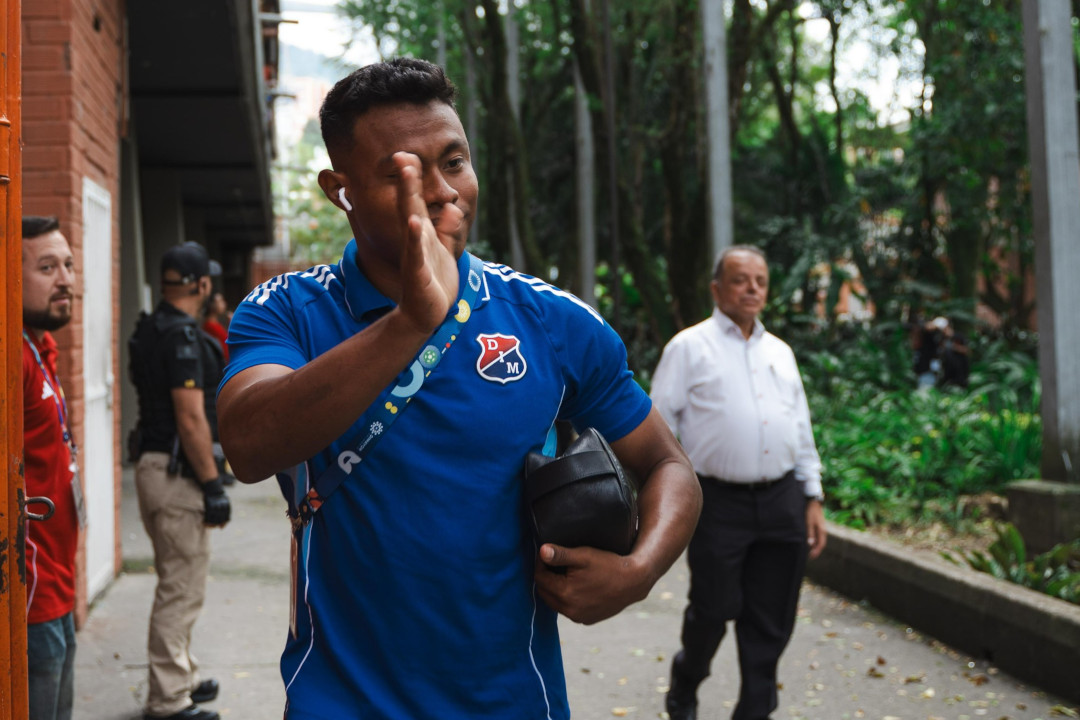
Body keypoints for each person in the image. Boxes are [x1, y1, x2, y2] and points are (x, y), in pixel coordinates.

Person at [215, 58, 702, 720]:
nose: (441, 191)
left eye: (453, 162)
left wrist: (640, 571)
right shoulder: (287, 311)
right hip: (339, 702)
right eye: (401, 174)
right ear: (342, 189)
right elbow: (247, 442)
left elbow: (669, 464)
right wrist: (413, 322)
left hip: (513, 703)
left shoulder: (550, 320)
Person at [648, 245, 827, 720]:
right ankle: (686, 684)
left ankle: (755, 708)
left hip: (783, 499)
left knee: (771, 619)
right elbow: (658, 427)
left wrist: (812, 496)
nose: (752, 289)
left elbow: (800, 428)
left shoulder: (780, 353)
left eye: (760, 281)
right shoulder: (689, 347)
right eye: (740, 279)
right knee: (712, 608)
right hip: (717, 501)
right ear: (717, 288)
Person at [0, 215, 81, 719]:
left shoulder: (38, 344)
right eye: (47, 267)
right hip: (13, 586)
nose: (65, 279)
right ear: (7, 278)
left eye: (68, 265)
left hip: (52, 575)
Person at [128, 241, 233, 720]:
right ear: (202, 285)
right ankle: (169, 700)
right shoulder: (183, 338)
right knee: (181, 587)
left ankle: (183, 676)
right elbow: (191, 419)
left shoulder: (151, 328)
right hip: (177, 477)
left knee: (180, 579)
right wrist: (212, 485)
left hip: (152, 470)